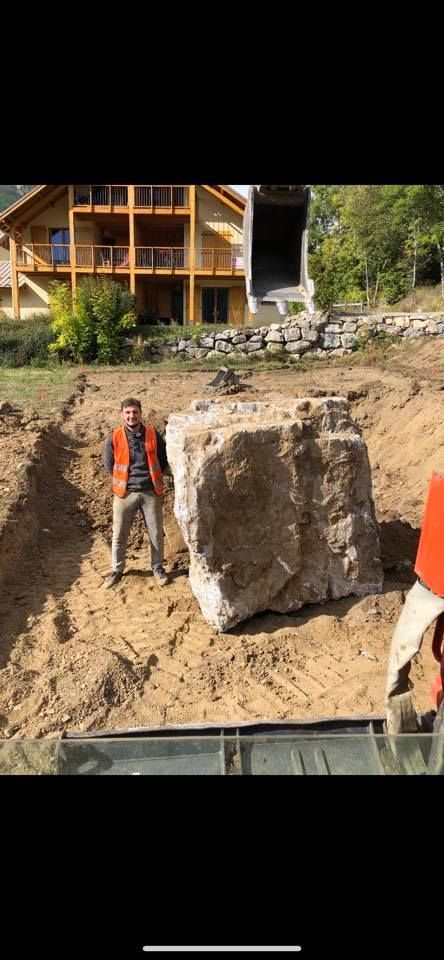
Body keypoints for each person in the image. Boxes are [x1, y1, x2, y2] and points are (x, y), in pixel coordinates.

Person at [103, 397, 169, 589]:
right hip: (124, 493)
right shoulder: (114, 437)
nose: (132, 416)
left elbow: (163, 460)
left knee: (156, 533)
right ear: (122, 414)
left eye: (135, 412)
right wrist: (124, 482)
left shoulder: (153, 435)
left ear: (141, 413)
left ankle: (158, 568)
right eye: (128, 413)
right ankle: (117, 570)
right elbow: (109, 464)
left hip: (151, 492)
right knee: (119, 535)